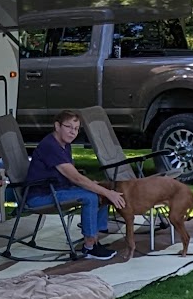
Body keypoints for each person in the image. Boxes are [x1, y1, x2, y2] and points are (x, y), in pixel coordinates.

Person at [24, 110, 126, 260]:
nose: (73, 132)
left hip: (58, 188)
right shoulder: (51, 146)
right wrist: (107, 193)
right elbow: (76, 178)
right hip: (40, 196)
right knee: (92, 196)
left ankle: (95, 238)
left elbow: (71, 175)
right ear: (57, 126)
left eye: (76, 129)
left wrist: (99, 187)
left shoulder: (64, 144)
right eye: (69, 127)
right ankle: (89, 247)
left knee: (100, 191)